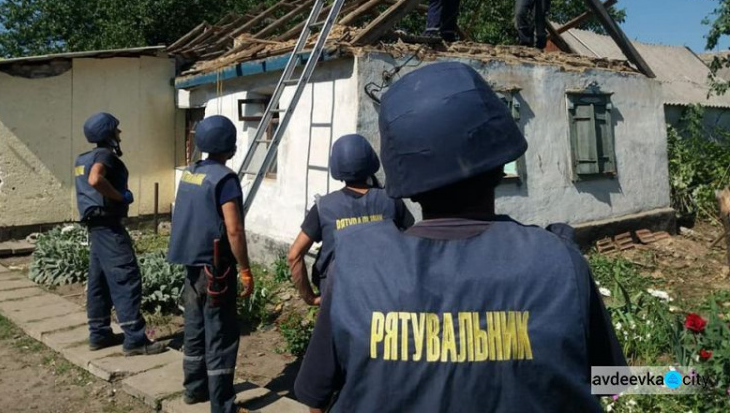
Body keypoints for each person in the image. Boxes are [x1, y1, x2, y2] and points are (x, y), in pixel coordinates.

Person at [294, 62, 626, 412]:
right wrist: (680, 379)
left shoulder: (354, 265)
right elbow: (608, 380)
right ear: (501, 164)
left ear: (403, 178)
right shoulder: (560, 261)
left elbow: (317, 397)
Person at [167, 115, 254, 412]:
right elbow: (234, 229)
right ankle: (222, 404)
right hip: (217, 270)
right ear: (229, 144)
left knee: (194, 330)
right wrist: (244, 269)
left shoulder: (190, 174)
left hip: (192, 269)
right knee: (221, 336)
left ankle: (193, 390)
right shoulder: (225, 179)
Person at [75, 112, 167, 356]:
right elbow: (96, 179)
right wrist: (120, 196)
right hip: (108, 225)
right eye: (117, 130)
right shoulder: (104, 154)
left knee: (100, 281)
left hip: (95, 227)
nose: (120, 133)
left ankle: (99, 333)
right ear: (108, 134)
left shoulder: (82, 158)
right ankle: (136, 339)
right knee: (126, 276)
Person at [287, 134, 414, 306]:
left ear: (336, 168)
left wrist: (310, 298)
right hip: (384, 297)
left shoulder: (324, 207)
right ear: (371, 161)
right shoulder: (392, 200)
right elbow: (413, 245)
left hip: (338, 300)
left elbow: (294, 256)